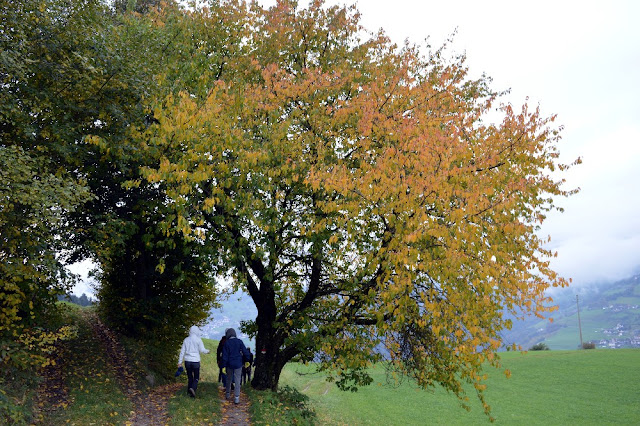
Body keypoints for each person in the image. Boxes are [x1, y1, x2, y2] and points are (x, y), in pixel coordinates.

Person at [177, 325, 210, 398]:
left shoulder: (186, 339)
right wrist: (207, 351)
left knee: (190, 377)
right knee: (196, 377)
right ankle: (193, 389)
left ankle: (189, 391)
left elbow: (182, 351)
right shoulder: (198, 340)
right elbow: (202, 350)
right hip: (195, 361)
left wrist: (179, 362)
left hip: (187, 361)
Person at [222, 328, 251, 404]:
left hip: (229, 364)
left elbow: (224, 356)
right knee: (238, 380)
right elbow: (245, 352)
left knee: (229, 378)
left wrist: (223, 366)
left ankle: (228, 394)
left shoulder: (227, 343)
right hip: (238, 363)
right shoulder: (239, 342)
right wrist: (247, 360)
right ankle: (236, 398)